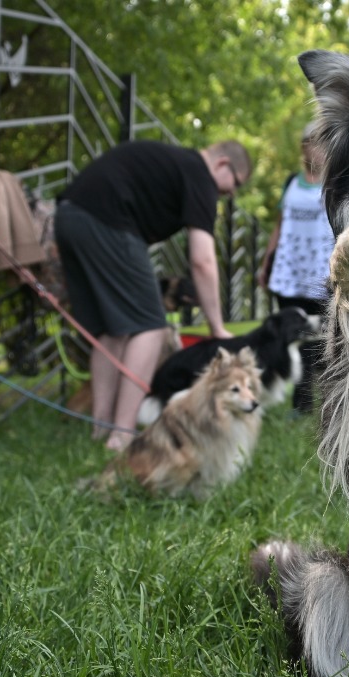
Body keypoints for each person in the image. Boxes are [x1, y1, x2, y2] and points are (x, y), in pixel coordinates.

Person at [55, 139, 252, 450]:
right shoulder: (200, 175)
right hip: (107, 221)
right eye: (235, 184)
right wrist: (217, 327)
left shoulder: (175, 163)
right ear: (222, 164)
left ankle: (101, 428)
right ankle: (122, 434)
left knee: (111, 331)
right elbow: (202, 261)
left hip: (68, 217)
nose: (230, 194)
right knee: (151, 327)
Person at [256, 122, 332, 413]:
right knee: (290, 335)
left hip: (321, 274)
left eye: (324, 142)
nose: (319, 149)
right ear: (304, 147)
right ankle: (299, 402)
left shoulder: (336, 183)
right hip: (289, 272)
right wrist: (266, 263)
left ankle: (315, 401)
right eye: (314, 142)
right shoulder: (291, 183)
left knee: (318, 340)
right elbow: (280, 225)